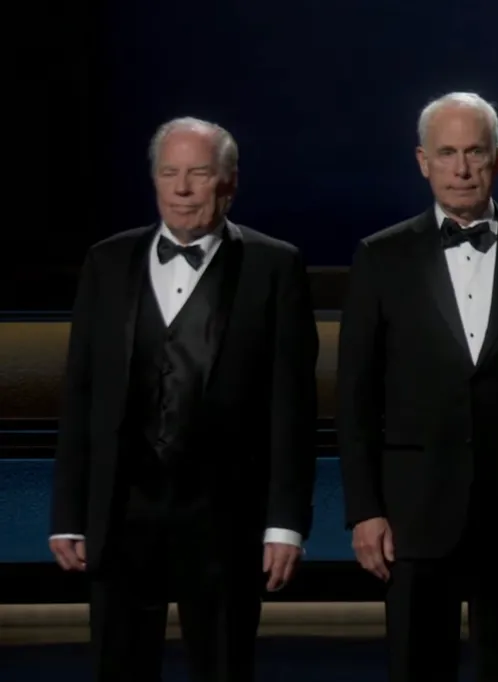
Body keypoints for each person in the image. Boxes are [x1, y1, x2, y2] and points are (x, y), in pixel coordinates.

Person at [336, 91, 498, 682]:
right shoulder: (380, 257)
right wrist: (364, 511)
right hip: (412, 517)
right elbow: (356, 400)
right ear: (422, 161)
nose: (461, 168)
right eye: (447, 153)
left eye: (475, 152)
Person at [49, 117, 319, 682]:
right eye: (169, 173)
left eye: (198, 173)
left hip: (226, 517)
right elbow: (80, 396)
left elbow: (292, 409)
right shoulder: (106, 262)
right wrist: (68, 515)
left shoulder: (275, 266)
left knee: (223, 666)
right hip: (121, 512)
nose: (182, 188)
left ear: (230, 182)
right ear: (153, 180)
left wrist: (284, 524)